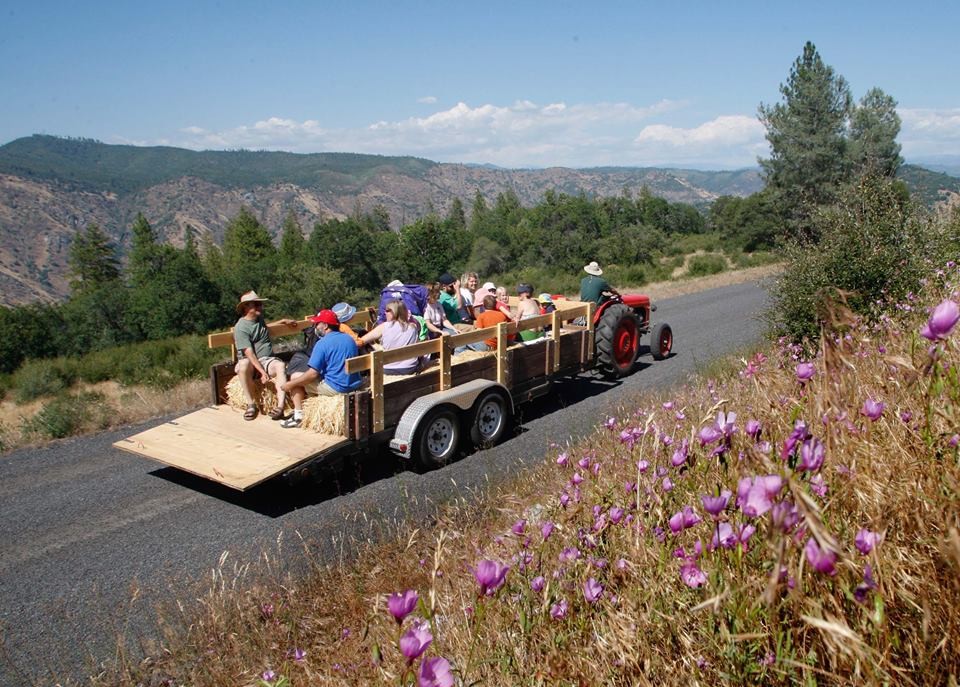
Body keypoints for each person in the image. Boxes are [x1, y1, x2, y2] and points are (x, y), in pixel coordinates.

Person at [280, 309, 362, 428]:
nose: (316, 327)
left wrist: (290, 385)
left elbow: (312, 374)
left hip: (337, 387)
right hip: (354, 383)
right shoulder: (348, 338)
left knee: (295, 378)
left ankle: (298, 416)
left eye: (317, 324)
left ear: (326, 326)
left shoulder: (322, 343)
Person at [233, 290, 295, 421]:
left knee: (280, 365)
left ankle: (280, 406)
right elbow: (248, 353)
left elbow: (266, 327)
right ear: (246, 307)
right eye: (256, 304)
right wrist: (262, 372)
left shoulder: (259, 319)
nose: (260, 307)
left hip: (267, 360)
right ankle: (251, 404)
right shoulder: (240, 327)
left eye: (260, 304)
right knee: (243, 364)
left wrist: (282, 322)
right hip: (251, 362)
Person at [360, 300, 425, 375]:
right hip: (409, 368)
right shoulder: (413, 327)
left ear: (394, 312)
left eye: (387, 311)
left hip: (387, 368)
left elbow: (361, 341)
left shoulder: (384, 327)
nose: (385, 313)